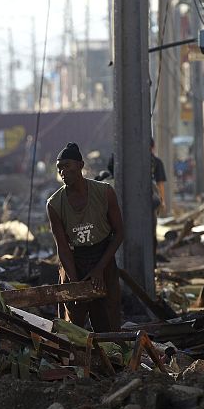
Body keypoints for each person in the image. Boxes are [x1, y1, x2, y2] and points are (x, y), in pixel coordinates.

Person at [47, 142, 124, 332]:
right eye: (59, 168)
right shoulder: (54, 204)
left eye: (67, 166)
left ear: (80, 166)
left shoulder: (104, 192)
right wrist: (75, 283)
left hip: (103, 257)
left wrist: (99, 270)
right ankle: (74, 360)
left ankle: (110, 358)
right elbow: (63, 247)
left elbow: (119, 232)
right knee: (73, 324)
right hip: (74, 260)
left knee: (107, 320)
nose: (63, 172)